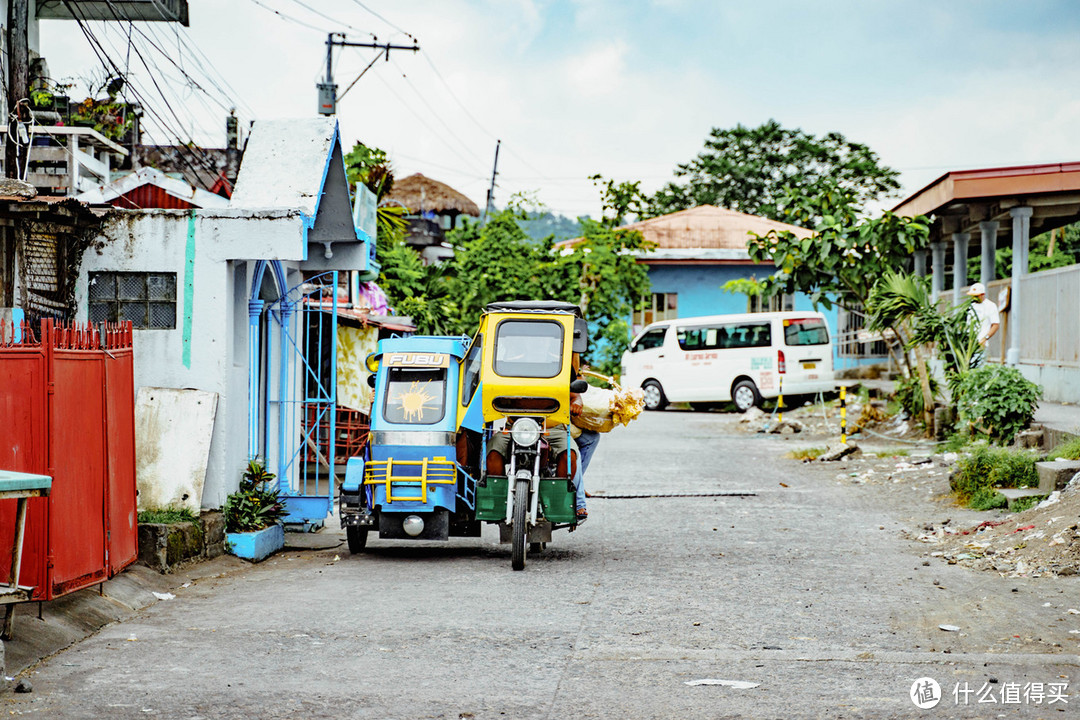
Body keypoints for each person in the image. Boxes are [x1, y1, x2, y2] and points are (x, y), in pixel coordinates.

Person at [967, 282, 1000, 366]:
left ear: (982, 294)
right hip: (968, 343)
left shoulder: (990, 306)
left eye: (976, 296)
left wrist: (985, 338)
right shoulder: (971, 306)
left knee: (978, 368)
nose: (974, 298)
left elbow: (995, 325)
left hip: (980, 344)